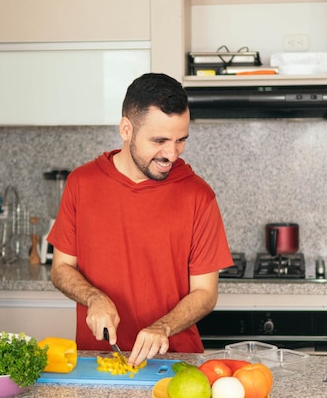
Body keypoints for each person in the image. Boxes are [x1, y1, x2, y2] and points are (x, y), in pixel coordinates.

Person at [48, 73, 233, 366]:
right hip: (95, 362)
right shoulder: (81, 184)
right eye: (159, 140)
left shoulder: (198, 195)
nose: (171, 154)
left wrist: (163, 327)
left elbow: (205, 293)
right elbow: (61, 268)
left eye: (181, 140)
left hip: (175, 363)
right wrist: (94, 297)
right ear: (126, 129)